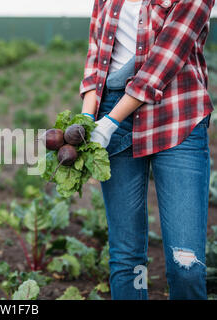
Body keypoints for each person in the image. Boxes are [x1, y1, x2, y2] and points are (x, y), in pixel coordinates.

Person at [80, 0, 215, 299]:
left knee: (186, 265)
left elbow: (164, 60)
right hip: (110, 112)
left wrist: (110, 123)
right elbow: (96, 57)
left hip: (177, 115)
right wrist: (88, 118)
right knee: (126, 258)